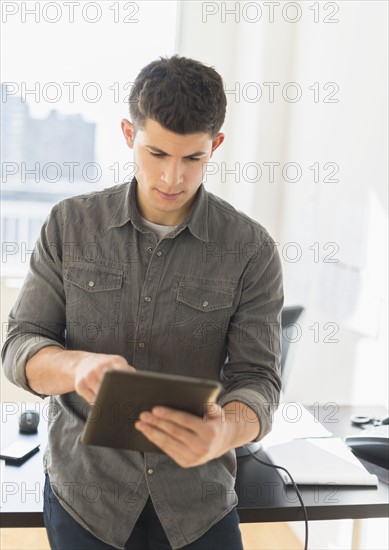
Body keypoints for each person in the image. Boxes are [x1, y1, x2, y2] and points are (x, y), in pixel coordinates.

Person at [2, 55, 283, 550]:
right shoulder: (69, 226)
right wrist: (75, 367)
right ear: (129, 134)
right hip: (88, 497)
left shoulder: (251, 249)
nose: (172, 178)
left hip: (197, 497)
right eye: (157, 153)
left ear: (215, 145)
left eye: (192, 158)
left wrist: (225, 433)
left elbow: (256, 381)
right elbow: (20, 347)